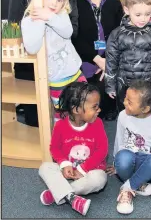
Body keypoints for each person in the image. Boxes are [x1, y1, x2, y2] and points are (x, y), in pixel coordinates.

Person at [8, 0, 78, 127]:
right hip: (32, 71)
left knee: (71, 117)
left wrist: (52, 18)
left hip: (62, 68)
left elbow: (72, 29)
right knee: (37, 123)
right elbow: (15, 34)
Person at [106, 76, 151, 214]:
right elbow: (119, 139)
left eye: (130, 102)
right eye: (126, 98)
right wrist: (116, 162)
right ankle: (139, 184)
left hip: (148, 164)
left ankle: (127, 188)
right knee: (123, 157)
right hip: (128, 161)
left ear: (145, 108)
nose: (124, 102)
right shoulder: (122, 116)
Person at [38, 82, 108, 216]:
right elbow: (54, 148)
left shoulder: (98, 124)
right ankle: (72, 198)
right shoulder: (60, 126)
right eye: (95, 106)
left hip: (89, 171)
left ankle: (58, 193)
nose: (99, 110)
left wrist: (83, 169)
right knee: (44, 167)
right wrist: (64, 164)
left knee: (100, 179)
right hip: (67, 171)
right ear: (76, 110)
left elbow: (102, 150)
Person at [21, 0, 86, 123]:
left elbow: (67, 32)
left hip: (76, 73)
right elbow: (32, 47)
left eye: (59, 0)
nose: (54, 3)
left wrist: (49, 16)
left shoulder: (61, 15)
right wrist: (40, 20)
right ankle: (63, 141)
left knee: (84, 108)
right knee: (63, 115)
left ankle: (83, 138)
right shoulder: (28, 21)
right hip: (57, 80)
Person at [73, 0, 124, 121]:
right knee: (82, 107)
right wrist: (96, 59)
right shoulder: (75, 2)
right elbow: (74, 37)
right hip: (83, 63)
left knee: (105, 110)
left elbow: (119, 36)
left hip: (107, 65)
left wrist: (106, 62)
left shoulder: (114, 3)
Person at [105, 0, 151, 108]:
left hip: (148, 87)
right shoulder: (116, 34)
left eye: (147, 14)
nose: (143, 19)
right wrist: (110, 86)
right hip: (124, 87)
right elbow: (111, 62)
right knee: (126, 117)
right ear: (127, 10)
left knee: (147, 118)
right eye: (138, 14)